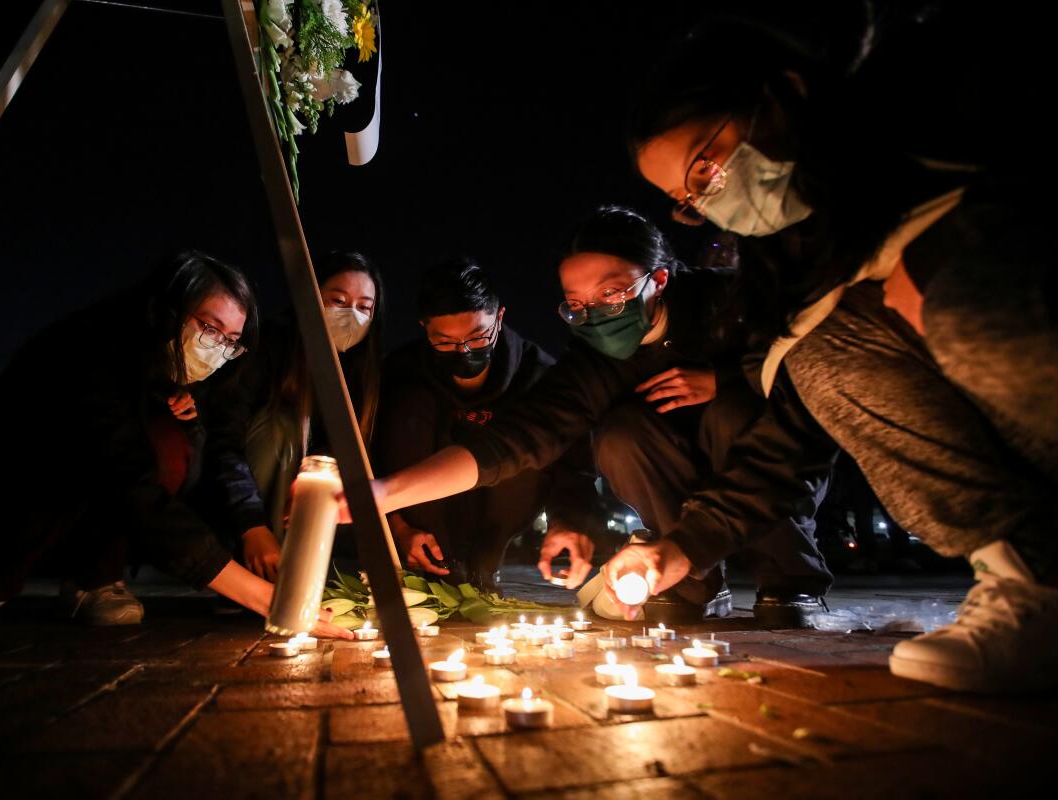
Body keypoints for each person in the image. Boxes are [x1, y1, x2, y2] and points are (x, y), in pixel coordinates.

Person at [620, 8, 1056, 690]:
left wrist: (943, 257)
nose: (708, 201)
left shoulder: (949, 94)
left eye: (704, 168)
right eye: (687, 199)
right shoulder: (799, 267)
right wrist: (682, 548)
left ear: (779, 95)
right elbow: (789, 438)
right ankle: (1036, 580)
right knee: (818, 354)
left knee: (957, 300)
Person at [350, 207, 835, 626]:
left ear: (658, 279)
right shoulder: (594, 353)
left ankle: (789, 573)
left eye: (613, 294)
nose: (597, 314)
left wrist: (727, 379)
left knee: (731, 413)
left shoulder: (728, 303)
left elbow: (805, 389)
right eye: (578, 304)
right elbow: (525, 437)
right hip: (672, 471)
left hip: (755, 457)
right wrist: (386, 494)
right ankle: (693, 583)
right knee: (618, 435)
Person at [0, 251, 351, 639]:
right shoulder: (93, 353)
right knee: (82, 463)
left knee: (168, 446)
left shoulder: (180, 381)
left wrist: (190, 426)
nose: (218, 348)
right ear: (168, 309)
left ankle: (95, 579)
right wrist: (264, 597)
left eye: (231, 342)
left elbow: (180, 471)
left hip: (113, 486)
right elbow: (129, 477)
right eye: (210, 328)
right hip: (8, 470)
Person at [376, 258, 602, 590]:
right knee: (411, 406)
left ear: (499, 318)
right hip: (421, 519)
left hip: (500, 515)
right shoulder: (401, 374)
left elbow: (574, 465)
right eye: (445, 342)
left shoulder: (539, 376)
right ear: (424, 326)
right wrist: (397, 527)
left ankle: (487, 559)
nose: (463, 351)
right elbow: (373, 457)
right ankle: (437, 560)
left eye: (478, 337)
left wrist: (568, 522)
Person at [203, 251, 384, 580]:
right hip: (240, 499)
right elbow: (223, 437)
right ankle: (260, 568)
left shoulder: (363, 367)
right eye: (338, 300)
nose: (351, 316)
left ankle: (304, 572)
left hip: (309, 500)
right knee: (281, 428)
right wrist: (251, 525)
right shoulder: (269, 345)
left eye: (364, 307)